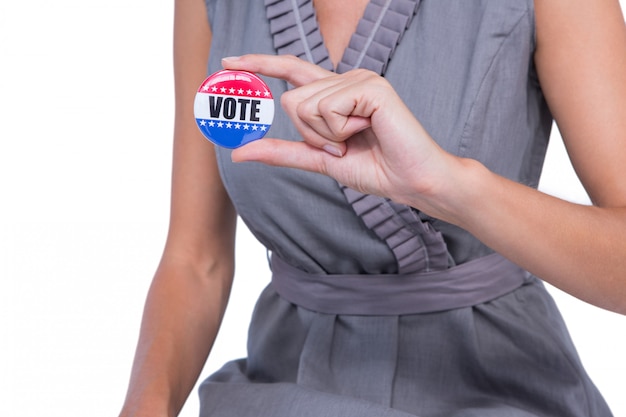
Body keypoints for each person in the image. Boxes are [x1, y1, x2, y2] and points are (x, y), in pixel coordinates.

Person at [119, 0, 626, 416]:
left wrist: (449, 186)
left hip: (495, 390)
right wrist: (146, 406)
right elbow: (195, 260)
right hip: (280, 389)